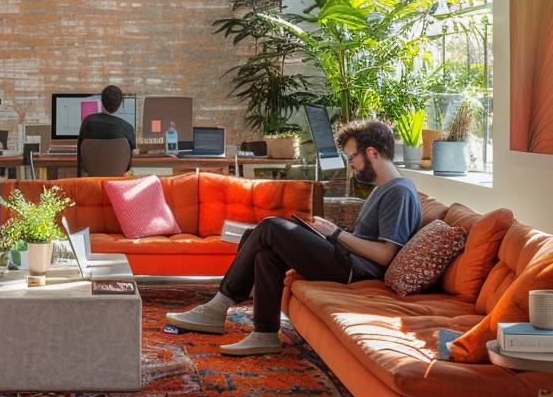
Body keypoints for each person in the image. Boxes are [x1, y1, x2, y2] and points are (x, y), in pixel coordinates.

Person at [167, 119, 421, 356]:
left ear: (372, 153)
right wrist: (330, 234)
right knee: (266, 252)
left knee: (269, 226)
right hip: (344, 258)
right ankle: (264, 334)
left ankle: (218, 306)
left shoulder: (399, 192)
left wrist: (335, 233)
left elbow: (385, 255)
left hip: (354, 270)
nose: (350, 164)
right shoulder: (383, 190)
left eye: (352, 157)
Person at [77, 85, 137, 163]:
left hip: (90, 174)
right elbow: (129, 159)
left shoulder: (87, 122)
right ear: (121, 103)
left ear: (101, 101)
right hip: (117, 174)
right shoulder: (128, 128)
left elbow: (80, 154)